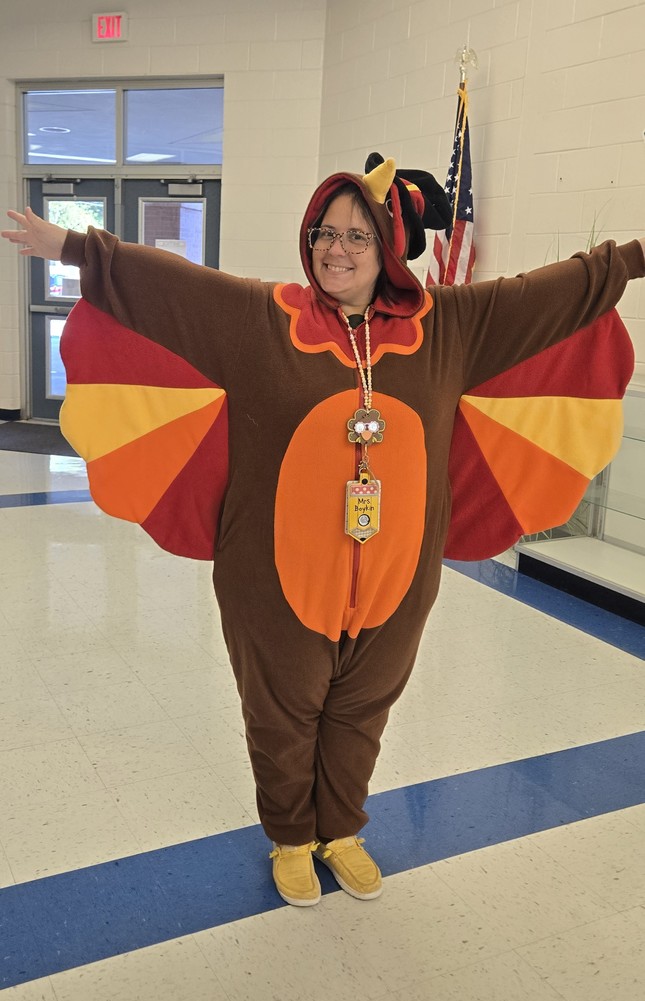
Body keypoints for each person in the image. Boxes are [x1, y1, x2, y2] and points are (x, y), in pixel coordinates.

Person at [3, 155, 644, 908]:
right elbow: (170, 287)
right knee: (282, 711)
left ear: (388, 248)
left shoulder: (451, 326)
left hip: (397, 570)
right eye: (323, 233)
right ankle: (289, 837)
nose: (335, 250)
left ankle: (341, 830)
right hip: (272, 569)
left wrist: (633, 258)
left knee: (362, 707)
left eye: (356, 236)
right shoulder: (260, 319)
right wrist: (75, 246)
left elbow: (548, 293)